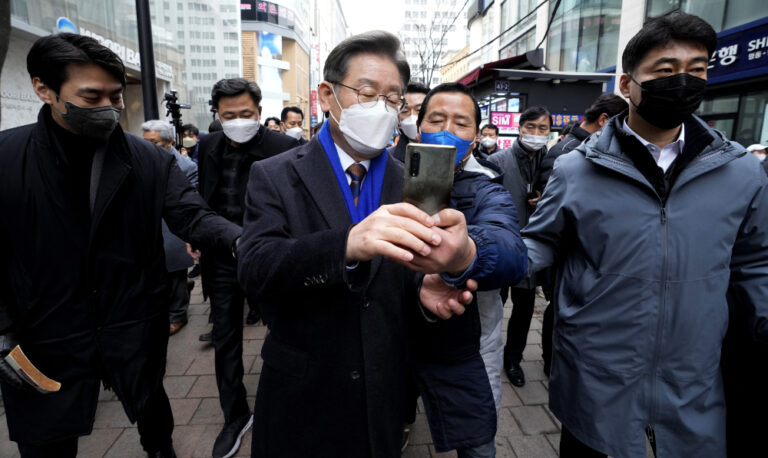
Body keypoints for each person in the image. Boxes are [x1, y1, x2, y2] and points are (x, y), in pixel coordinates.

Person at [522, 11, 768, 457]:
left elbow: (756, 263)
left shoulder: (741, 172)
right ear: (626, 84)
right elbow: (540, 241)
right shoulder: (576, 168)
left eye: (697, 70)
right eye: (666, 70)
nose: (683, 81)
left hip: (694, 385)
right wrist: (479, 258)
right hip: (597, 380)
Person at [237, 31, 478, 458]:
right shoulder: (274, 174)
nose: (381, 109)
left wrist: (425, 296)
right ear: (327, 95)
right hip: (302, 391)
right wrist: (345, 245)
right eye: (367, 94)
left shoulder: (416, 180)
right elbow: (256, 270)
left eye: (392, 99)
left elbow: (413, 273)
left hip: (382, 393)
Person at [0, 33, 241, 458]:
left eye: (115, 96)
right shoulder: (6, 157)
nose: (108, 108)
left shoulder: (150, 159)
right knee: (47, 439)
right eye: (91, 97)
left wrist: (244, 241)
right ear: (43, 88)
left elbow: (193, 217)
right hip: (43, 333)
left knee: (151, 412)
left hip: (134, 321)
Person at [411, 82, 527, 458]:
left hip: (468, 344)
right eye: (436, 119)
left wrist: (466, 253)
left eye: (461, 123)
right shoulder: (387, 179)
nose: (447, 130)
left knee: (477, 444)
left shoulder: (488, 190)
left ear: (476, 137)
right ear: (418, 126)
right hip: (395, 334)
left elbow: (512, 253)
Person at [195, 77, 298, 458]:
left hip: (270, 255)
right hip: (222, 256)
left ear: (258, 111)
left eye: (245, 113)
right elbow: (203, 197)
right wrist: (198, 234)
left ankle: (288, 402)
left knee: (286, 329)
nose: (238, 121)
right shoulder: (208, 145)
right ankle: (235, 414)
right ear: (217, 115)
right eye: (228, 115)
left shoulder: (283, 147)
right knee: (225, 337)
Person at [536, 94, 628, 375]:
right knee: (558, 307)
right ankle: (552, 362)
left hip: (591, 252)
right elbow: (552, 210)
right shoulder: (568, 153)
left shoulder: (598, 148)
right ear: (604, 120)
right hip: (567, 250)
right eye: (622, 123)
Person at [486, 105, 551, 387]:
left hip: (534, 246)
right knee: (493, 304)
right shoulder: (498, 161)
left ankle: (513, 359)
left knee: (524, 308)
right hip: (502, 243)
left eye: (542, 128)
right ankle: (487, 353)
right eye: (531, 127)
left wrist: (545, 199)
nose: (536, 133)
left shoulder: (554, 163)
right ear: (520, 128)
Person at [141, 120, 199, 336]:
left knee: (174, 270)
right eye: (145, 142)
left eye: (154, 142)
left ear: (169, 142)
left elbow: (189, 201)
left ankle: (178, 315)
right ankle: (183, 285)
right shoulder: (140, 160)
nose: (148, 146)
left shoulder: (186, 166)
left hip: (173, 225)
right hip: (148, 224)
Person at [391, 82, 430, 162]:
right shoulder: (388, 159)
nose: (412, 116)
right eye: (405, 111)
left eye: (419, 110)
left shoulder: (448, 154)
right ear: (398, 119)